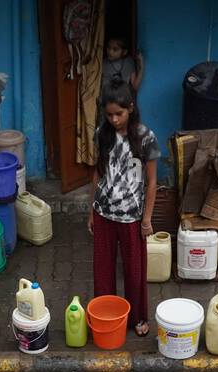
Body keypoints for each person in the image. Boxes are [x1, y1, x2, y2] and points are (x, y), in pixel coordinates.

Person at [90, 92, 159, 336]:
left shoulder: (145, 137)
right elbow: (97, 173)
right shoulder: (102, 134)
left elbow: (151, 182)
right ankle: (104, 316)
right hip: (103, 213)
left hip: (132, 217)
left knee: (135, 271)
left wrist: (147, 219)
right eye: (109, 115)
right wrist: (91, 211)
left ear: (130, 108)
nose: (114, 119)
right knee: (103, 270)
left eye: (119, 114)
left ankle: (138, 318)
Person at [99, 36, 143, 107]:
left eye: (115, 49)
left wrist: (141, 66)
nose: (110, 51)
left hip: (122, 102)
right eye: (108, 48)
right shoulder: (103, 63)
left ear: (124, 52)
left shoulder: (129, 62)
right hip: (106, 102)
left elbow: (135, 86)